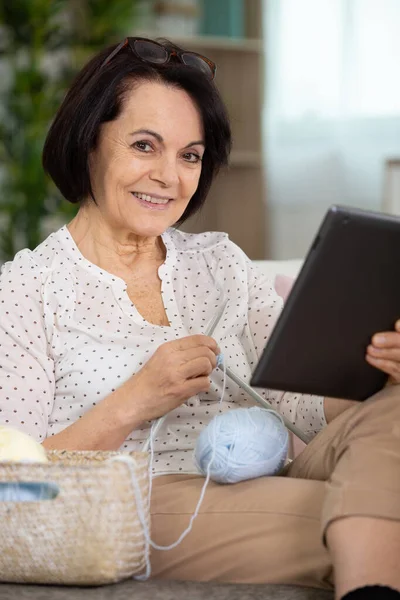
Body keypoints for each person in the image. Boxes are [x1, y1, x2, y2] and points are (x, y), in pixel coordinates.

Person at [0, 37, 399, 600]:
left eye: (190, 155)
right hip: (148, 497)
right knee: (370, 510)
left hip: (265, 473)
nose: (170, 175)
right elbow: (16, 488)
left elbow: (297, 402)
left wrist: (377, 374)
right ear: (88, 142)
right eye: (145, 145)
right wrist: (136, 398)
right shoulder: (24, 290)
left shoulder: (219, 261)